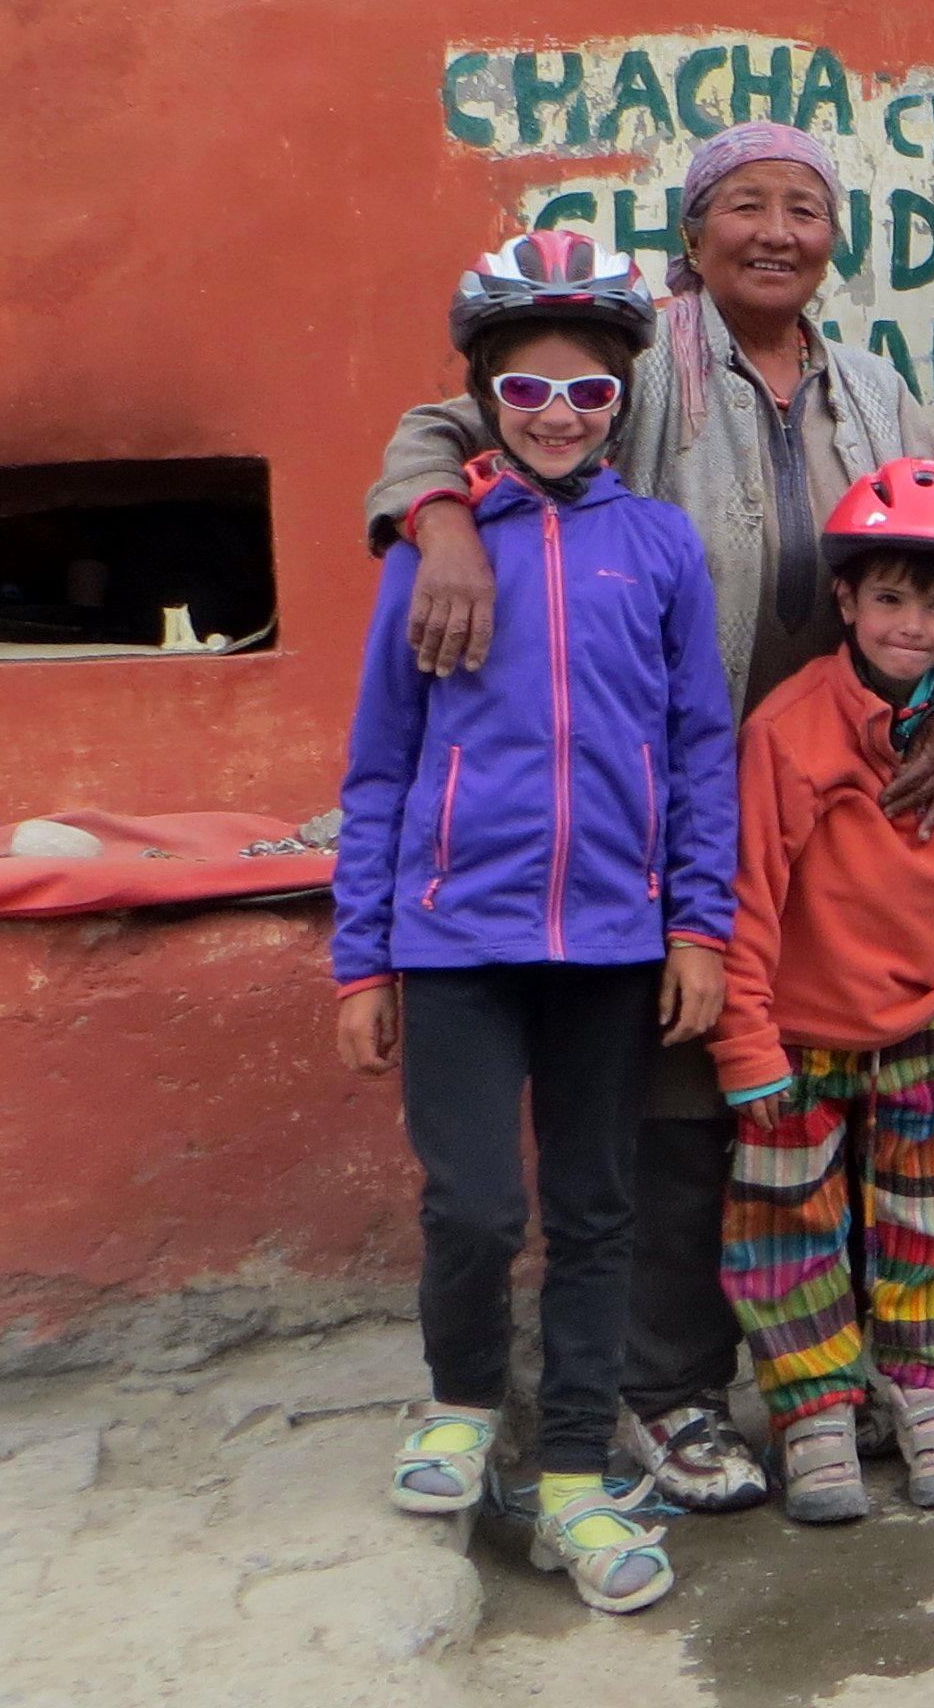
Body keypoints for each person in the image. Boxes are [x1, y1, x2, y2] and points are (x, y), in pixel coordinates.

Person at [363, 119, 934, 1517]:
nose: (778, 232)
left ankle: (838, 1382)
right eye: (746, 205)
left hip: (845, 793)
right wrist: (444, 528)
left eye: (806, 209)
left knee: (825, 1092)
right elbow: (443, 429)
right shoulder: (634, 362)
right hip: (663, 795)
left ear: (835, 239)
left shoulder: (873, 387)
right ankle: (668, 1389)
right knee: (678, 1093)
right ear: (694, 231)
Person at [333, 230, 736, 1614]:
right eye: (526, 391)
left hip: (614, 946)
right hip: (455, 941)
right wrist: (362, 958)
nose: (559, 415)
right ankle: (460, 1401)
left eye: (589, 392)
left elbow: (700, 749)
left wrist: (700, 928)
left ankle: (573, 1471)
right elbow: (381, 765)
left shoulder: (660, 545)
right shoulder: (429, 553)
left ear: (624, 399)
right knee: (475, 1202)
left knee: (595, 1209)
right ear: (482, 397)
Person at [713, 458, 934, 1522]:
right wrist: (746, 1047)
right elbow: (746, 899)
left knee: (932, 1226)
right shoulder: (786, 732)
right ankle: (813, 1410)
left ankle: (930, 1390)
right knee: (786, 1233)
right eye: (890, 598)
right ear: (845, 599)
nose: (912, 626)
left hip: (927, 1030)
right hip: (799, 1040)